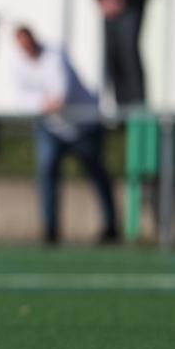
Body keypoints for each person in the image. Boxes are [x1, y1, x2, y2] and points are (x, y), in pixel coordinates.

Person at [13, 25, 118, 245]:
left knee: (97, 174)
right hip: (52, 128)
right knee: (47, 173)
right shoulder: (19, 64)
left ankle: (111, 227)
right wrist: (43, 104)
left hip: (84, 126)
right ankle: (50, 230)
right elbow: (24, 99)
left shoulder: (55, 54)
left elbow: (60, 94)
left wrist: (45, 103)